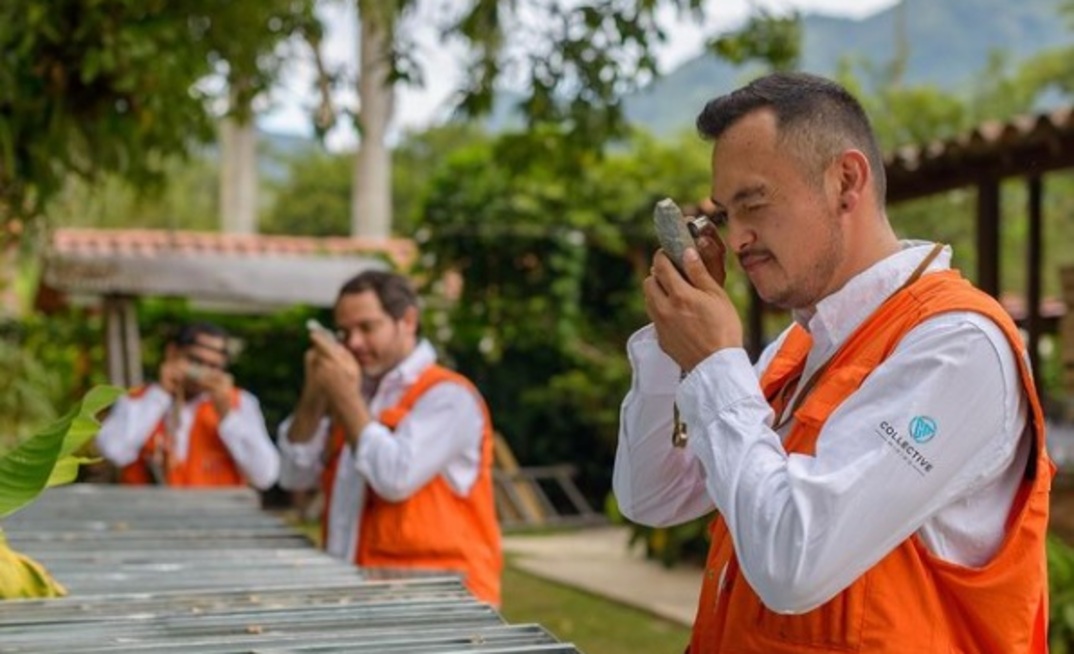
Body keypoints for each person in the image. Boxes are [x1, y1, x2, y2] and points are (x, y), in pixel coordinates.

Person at [613, 71, 1053, 653]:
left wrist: (716, 362)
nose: (737, 239)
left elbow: (794, 564)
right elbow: (652, 495)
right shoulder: (798, 348)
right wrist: (675, 346)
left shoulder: (959, 348)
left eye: (754, 204)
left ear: (846, 181)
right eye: (725, 214)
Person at [277, 270, 502, 605]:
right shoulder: (355, 390)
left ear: (407, 321)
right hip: (363, 598)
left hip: (447, 606)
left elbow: (394, 477)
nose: (353, 343)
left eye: (367, 328)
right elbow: (293, 475)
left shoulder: (448, 396)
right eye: (344, 332)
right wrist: (315, 392)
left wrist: (345, 398)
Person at [96, 321, 280, 490]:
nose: (204, 372)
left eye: (213, 366)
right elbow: (113, 451)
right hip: (148, 511)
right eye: (196, 361)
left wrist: (228, 416)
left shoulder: (241, 402)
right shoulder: (139, 398)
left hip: (216, 512)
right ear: (172, 353)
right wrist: (160, 395)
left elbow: (265, 476)